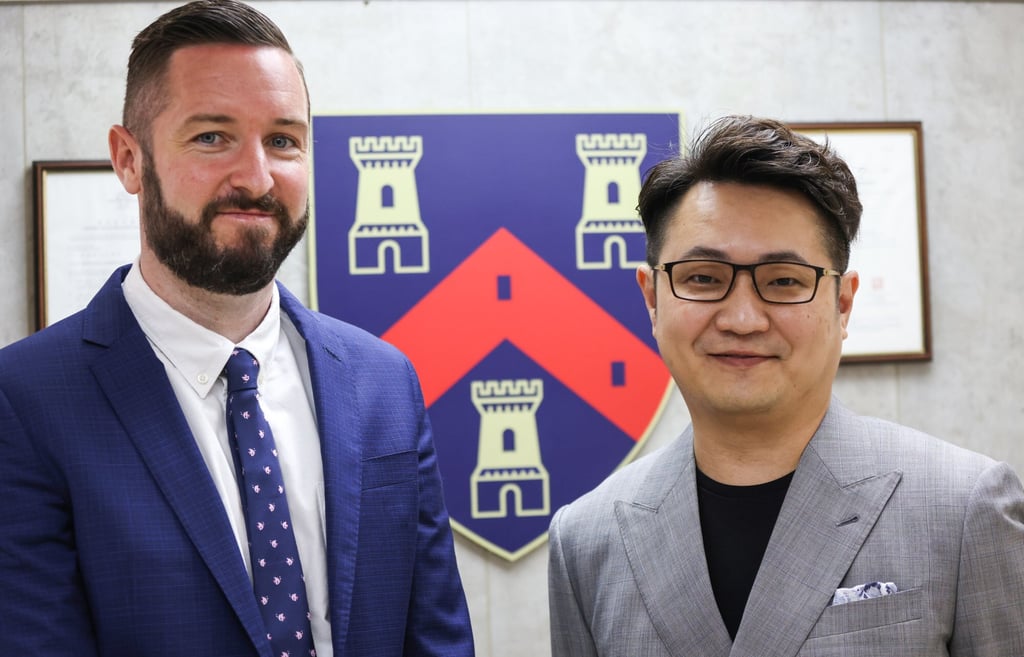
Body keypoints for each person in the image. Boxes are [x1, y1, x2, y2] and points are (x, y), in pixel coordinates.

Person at [0, 2, 474, 655]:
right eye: (211, 136)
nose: (256, 177)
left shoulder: (383, 382)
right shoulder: (25, 401)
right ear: (129, 159)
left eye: (283, 140)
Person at [547, 115, 1024, 655]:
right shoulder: (585, 540)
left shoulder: (965, 507)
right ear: (653, 299)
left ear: (842, 304)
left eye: (784, 282)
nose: (743, 319)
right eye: (703, 278)